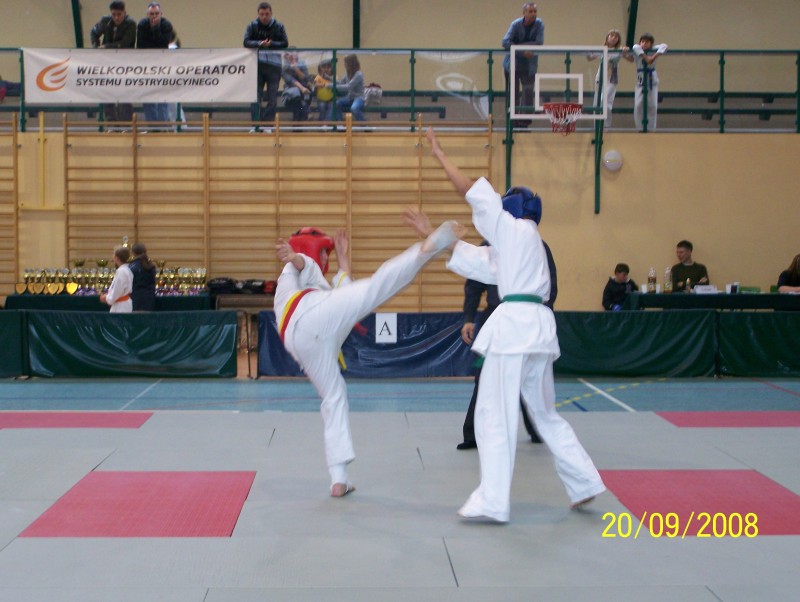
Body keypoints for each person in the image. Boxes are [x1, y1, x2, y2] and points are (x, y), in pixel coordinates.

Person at [424, 127, 605, 522]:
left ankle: (493, 500)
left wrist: (439, 154)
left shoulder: (510, 228)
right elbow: (479, 262)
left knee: (493, 411)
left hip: (515, 331)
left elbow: (470, 189)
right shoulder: (528, 244)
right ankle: (584, 482)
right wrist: (433, 236)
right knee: (545, 414)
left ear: (509, 208)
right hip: (538, 332)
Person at [274, 218, 459, 498]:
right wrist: (295, 256)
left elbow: (343, 292)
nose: (325, 258)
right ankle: (426, 249)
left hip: (307, 344)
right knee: (374, 288)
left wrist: (343, 257)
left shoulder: (316, 285)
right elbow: (303, 264)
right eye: (323, 252)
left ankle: (339, 478)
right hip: (310, 317)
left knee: (334, 396)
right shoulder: (292, 270)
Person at [457, 236, 557, 450]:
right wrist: (468, 318)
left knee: (529, 374)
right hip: (496, 315)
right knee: (485, 375)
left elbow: (551, 285)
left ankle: (539, 428)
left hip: (528, 317)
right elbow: (474, 285)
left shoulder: (538, 245)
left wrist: (544, 318)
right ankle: (473, 433)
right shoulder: (490, 244)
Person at [90, 1, 137, 129]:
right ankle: (111, 125)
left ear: (124, 13)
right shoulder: (105, 21)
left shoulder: (131, 24)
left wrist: (105, 47)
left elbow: (125, 43)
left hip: (124, 65)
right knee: (107, 94)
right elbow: (93, 32)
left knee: (124, 95)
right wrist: (96, 47)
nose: (116, 18)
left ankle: (127, 126)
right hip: (107, 64)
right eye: (114, 14)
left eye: (119, 14)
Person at [243, 2, 289, 127]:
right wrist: (259, 43)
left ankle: (268, 125)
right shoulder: (252, 25)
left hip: (274, 66)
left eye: (267, 14)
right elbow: (246, 42)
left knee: (272, 97)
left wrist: (271, 44)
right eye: (262, 14)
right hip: (257, 66)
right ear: (258, 14)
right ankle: (256, 125)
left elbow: (285, 43)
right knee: (255, 97)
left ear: (271, 13)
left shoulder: (279, 26)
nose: (264, 17)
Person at [501, 3, 544, 124]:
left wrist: (517, 46)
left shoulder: (539, 24)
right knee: (512, 93)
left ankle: (525, 122)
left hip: (529, 66)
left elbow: (539, 43)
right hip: (512, 65)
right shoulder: (515, 24)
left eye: (535, 11)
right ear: (524, 13)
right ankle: (512, 122)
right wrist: (522, 51)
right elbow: (505, 42)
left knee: (528, 93)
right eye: (530, 11)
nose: (533, 14)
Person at [136, 2, 173, 129]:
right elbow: (140, 45)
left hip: (163, 65)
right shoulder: (142, 25)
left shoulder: (166, 25)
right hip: (146, 66)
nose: (154, 16)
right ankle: (152, 127)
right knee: (147, 96)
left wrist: (156, 29)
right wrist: (155, 44)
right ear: (147, 15)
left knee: (163, 96)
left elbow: (163, 45)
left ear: (161, 14)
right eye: (151, 14)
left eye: (156, 14)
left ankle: (163, 126)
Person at [588, 29, 632, 128]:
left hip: (612, 79)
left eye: (616, 37)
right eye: (611, 36)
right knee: (597, 103)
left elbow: (631, 59)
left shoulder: (619, 50)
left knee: (605, 101)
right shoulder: (602, 49)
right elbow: (589, 58)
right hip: (600, 77)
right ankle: (597, 126)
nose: (613, 38)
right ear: (607, 37)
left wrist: (625, 52)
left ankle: (606, 126)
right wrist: (591, 50)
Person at [632, 33, 668, 132]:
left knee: (652, 106)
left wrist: (654, 56)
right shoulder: (637, 49)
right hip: (641, 80)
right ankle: (640, 128)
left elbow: (664, 46)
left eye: (647, 42)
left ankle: (651, 129)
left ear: (651, 44)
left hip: (652, 79)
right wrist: (647, 58)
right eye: (642, 41)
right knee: (638, 105)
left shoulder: (654, 50)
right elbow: (635, 47)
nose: (644, 44)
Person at [100, 246, 133, 313]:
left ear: (116, 258)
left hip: (121, 307)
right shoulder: (127, 270)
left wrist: (107, 298)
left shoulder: (122, 272)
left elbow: (117, 290)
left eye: (114, 255)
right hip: (122, 304)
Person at [280, 49, 311, 122]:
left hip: (304, 92)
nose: (293, 57)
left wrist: (295, 68)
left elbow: (305, 78)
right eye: (290, 56)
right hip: (290, 93)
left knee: (304, 94)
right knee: (296, 95)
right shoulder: (284, 68)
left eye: (295, 55)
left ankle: (296, 121)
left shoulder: (302, 64)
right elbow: (290, 81)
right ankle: (305, 113)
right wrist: (302, 88)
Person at [334, 54, 365, 122]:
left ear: (350, 63)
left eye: (345, 63)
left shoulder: (358, 75)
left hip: (359, 98)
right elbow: (341, 82)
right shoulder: (347, 74)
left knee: (354, 109)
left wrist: (330, 85)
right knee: (337, 103)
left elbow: (348, 86)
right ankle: (340, 124)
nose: (344, 64)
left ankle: (364, 125)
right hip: (350, 97)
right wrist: (328, 78)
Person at [129, 242, 157, 311]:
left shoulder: (132, 266)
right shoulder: (151, 265)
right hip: (149, 298)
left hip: (136, 299)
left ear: (133, 253)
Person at [167, 31, 187, 127]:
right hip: (170, 80)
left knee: (174, 107)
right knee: (172, 108)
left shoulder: (171, 48)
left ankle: (180, 128)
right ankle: (179, 127)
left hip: (172, 80)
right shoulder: (173, 47)